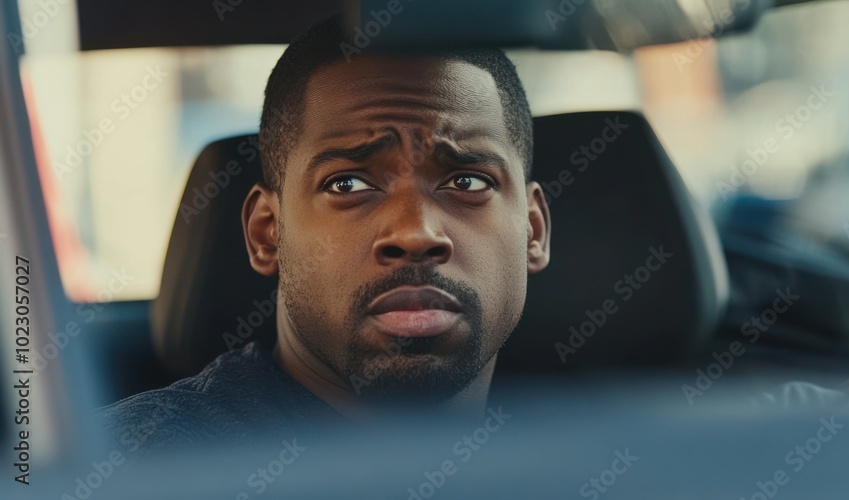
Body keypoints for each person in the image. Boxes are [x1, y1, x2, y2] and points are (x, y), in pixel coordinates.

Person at [99, 16, 550, 450]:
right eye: (348, 184)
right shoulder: (132, 465)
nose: (416, 233)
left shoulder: (603, 456)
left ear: (533, 229)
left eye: (467, 182)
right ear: (266, 233)